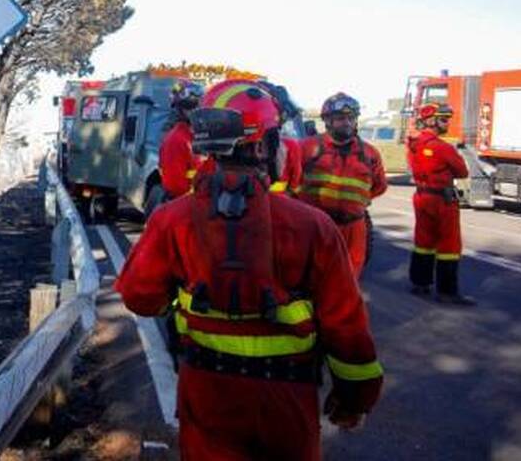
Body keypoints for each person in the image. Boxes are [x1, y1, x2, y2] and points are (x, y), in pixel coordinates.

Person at [115, 81, 383, 461]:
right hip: (288, 404)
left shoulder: (172, 219)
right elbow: (346, 326)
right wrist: (356, 399)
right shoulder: (313, 226)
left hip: (206, 399)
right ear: (261, 146)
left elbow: (139, 297)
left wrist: (182, 304)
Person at [297, 93, 388, 279]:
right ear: (327, 121)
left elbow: (379, 186)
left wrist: (354, 203)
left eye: (351, 118)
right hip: (316, 227)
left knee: (349, 282)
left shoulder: (370, 153)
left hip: (354, 228)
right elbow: (290, 182)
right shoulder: (306, 148)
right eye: (340, 118)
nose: (346, 122)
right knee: (311, 281)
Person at [407, 102, 474, 305]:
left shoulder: (413, 144)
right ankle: (447, 292)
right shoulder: (442, 147)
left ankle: (420, 283)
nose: (447, 123)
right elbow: (462, 172)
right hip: (442, 200)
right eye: (443, 119)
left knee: (423, 241)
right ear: (431, 120)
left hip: (421, 197)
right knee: (449, 245)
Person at [157, 79, 204, 199]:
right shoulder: (176, 140)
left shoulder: (200, 135)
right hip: (186, 204)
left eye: (197, 105)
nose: (195, 111)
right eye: (189, 106)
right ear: (179, 110)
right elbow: (176, 188)